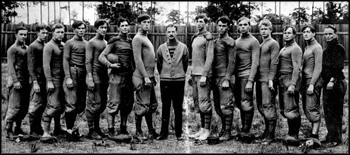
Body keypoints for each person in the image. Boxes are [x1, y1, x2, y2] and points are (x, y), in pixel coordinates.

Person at [98, 18, 135, 140]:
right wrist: (111, 64)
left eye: (126, 25)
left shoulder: (131, 41)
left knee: (127, 104)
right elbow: (101, 56)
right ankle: (111, 130)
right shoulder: (114, 41)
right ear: (119, 27)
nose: (125, 27)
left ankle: (123, 128)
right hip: (116, 77)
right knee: (114, 103)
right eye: (122, 25)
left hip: (128, 77)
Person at [155, 24, 189, 141]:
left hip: (179, 80)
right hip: (165, 80)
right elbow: (159, 64)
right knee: (165, 106)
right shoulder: (161, 48)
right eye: (168, 31)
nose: (171, 34)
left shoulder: (183, 47)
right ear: (165, 33)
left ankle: (179, 133)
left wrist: (179, 74)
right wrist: (165, 74)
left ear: (176, 33)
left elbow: (185, 64)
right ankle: (163, 133)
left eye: (173, 31)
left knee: (178, 107)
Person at [132, 14, 159, 141]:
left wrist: (152, 77)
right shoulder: (137, 39)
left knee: (151, 105)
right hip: (142, 78)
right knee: (142, 106)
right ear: (139, 24)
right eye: (144, 22)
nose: (147, 24)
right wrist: (145, 77)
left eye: (149, 22)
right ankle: (138, 132)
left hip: (150, 77)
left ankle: (151, 131)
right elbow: (138, 60)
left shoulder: (146, 37)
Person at [188, 14, 214, 141]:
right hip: (195, 75)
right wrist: (191, 74)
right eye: (197, 21)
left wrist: (205, 75)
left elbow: (210, 57)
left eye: (202, 21)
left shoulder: (208, 37)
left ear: (206, 23)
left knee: (205, 104)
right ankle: (202, 130)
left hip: (204, 75)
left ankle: (207, 131)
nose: (199, 23)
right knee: (198, 103)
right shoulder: (195, 37)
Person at [234, 16, 260, 143]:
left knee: (246, 103)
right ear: (238, 27)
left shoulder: (254, 41)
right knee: (239, 103)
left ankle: (246, 130)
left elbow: (255, 63)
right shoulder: (236, 41)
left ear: (249, 26)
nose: (243, 27)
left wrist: (250, 80)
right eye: (241, 25)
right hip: (237, 77)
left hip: (246, 75)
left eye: (245, 25)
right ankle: (243, 128)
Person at [321, 25, 347, 147]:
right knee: (328, 111)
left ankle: (337, 138)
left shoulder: (339, 48)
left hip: (336, 84)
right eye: (326, 34)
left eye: (330, 34)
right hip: (327, 85)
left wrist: (332, 80)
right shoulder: (325, 51)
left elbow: (338, 66)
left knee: (336, 111)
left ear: (335, 34)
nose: (328, 36)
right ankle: (330, 135)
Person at [211, 16, 236, 141]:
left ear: (228, 27)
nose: (221, 28)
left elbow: (232, 62)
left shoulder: (230, 41)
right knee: (217, 106)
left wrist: (227, 79)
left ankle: (228, 132)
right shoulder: (216, 41)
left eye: (223, 26)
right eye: (219, 25)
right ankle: (223, 129)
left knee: (226, 106)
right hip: (215, 77)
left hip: (224, 77)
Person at [277, 25, 303, 146]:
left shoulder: (295, 49)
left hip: (290, 80)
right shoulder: (283, 49)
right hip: (282, 80)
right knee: (285, 109)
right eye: (285, 33)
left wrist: (292, 84)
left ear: (294, 35)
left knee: (292, 108)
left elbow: (297, 68)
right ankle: (290, 133)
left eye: (289, 33)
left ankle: (294, 135)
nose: (286, 35)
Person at [255, 19, 279, 144]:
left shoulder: (273, 43)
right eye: (262, 29)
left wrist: (271, 80)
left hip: (267, 81)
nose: (263, 31)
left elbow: (274, 62)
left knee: (268, 106)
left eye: (266, 29)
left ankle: (271, 135)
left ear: (271, 30)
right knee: (261, 106)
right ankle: (266, 132)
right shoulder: (261, 44)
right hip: (259, 80)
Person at [41, 24, 67, 142]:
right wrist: (49, 81)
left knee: (61, 106)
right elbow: (46, 65)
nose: (60, 34)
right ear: (53, 33)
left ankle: (57, 128)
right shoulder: (49, 46)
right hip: (54, 79)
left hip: (63, 79)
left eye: (62, 32)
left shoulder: (63, 45)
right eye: (58, 32)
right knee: (53, 105)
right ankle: (45, 132)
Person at [62, 20, 87, 141]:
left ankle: (75, 129)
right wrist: (68, 77)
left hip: (83, 73)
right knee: (71, 102)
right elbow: (65, 60)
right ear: (74, 30)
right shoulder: (69, 43)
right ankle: (69, 130)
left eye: (83, 28)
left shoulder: (87, 43)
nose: (82, 30)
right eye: (79, 28)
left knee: (81, 104)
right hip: (73, 71)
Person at [85, 19, 109, 140]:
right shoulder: (91, 43)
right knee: (94, 103)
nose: (104, 30)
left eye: (105, 27)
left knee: (102, 104)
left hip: (104, 75)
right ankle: (91, 130)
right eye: (101, 27)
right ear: (96, 29)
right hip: (94, 75)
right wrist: (90, 78)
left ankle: (97, 127)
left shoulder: (105, 42)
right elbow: (88, 61)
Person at [5, 26, 30, 141]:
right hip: (16, 81)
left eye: (25, 34)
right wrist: (15, 81)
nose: (23, 36)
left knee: (23, 107)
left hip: (25, 81)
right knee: (14, 107)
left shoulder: (27, 48)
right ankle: (8, 130)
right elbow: (11, 67)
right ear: (16, 35)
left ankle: (18, 128)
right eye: (21, 34)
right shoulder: (12, 49)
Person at [26, 24, 50, 139]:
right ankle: (32, 130)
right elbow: (30, 66)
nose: (45, 35)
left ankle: (38, 128)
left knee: (42, 105)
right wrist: (35, 82)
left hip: (45, 79)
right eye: (43, 33)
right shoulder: (33, 46)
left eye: (46, 33)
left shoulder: (45, 45)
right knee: (34, 105)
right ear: (37, 33)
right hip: (37, 80)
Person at [300, 25, 323, 145]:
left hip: (313, 81)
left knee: (311, 107)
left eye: (308, 32)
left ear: (314, 34)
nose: (306, 34)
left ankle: (315, 136)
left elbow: (318, 68)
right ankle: (312, 135)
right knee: (306, 107)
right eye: (304, 32)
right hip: (306, 81)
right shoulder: (307, 47)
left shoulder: (317, 48)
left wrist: (312, 84)